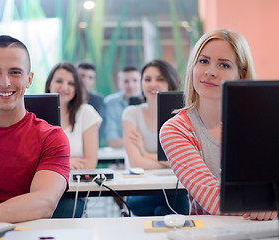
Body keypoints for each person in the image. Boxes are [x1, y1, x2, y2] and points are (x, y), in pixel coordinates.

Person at [159, 28, 277, 221]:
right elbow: (216, 201)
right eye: (203, 61)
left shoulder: (262, 122)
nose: (210, 72)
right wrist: (268, 204)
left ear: (241, 74)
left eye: (224, 65)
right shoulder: (176, 130)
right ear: (193, 67)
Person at [0, 35, 70, 231]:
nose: (5, 82)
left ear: (29, 79)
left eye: (15, 72)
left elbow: (44, 201)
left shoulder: (51, 136)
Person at [122, 59, 189, 216]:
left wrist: (145, 153)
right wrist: (170, 162)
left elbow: (185, 161)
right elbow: (137, 162)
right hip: (140, 192)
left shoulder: (182, 115)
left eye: (160, 79)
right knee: (178, 201)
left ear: (170, 82)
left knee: (165, 209)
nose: (152, 84)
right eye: (147, 79)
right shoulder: (131, 113)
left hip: (174, 187)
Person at [45, 61, 102, 217]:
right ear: (49, 83)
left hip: (73, 191)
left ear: (77, 88)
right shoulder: (34, 112)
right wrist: (67, 162)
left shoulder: (87, 112)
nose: (64, 87)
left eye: (71, 83)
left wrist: (51, 163)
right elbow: (30, 161)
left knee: (68, 210)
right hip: (40, 189)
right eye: (59, 81)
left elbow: (90, 162)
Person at [104, 66, 141, 149]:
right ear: (119, 83)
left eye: (135, 80)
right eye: (126, 81)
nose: (131, 85)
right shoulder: (111, 103)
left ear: (141, 82)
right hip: (119, 156)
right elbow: (112, 140)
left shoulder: (149, 101)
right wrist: (140, 143)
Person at [77, 61, 106, 146]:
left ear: (94, 82)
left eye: (90, 77)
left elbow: (98, 128)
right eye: (82, 76)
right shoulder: (66, 97)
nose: (85, 80)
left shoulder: (98, 100)